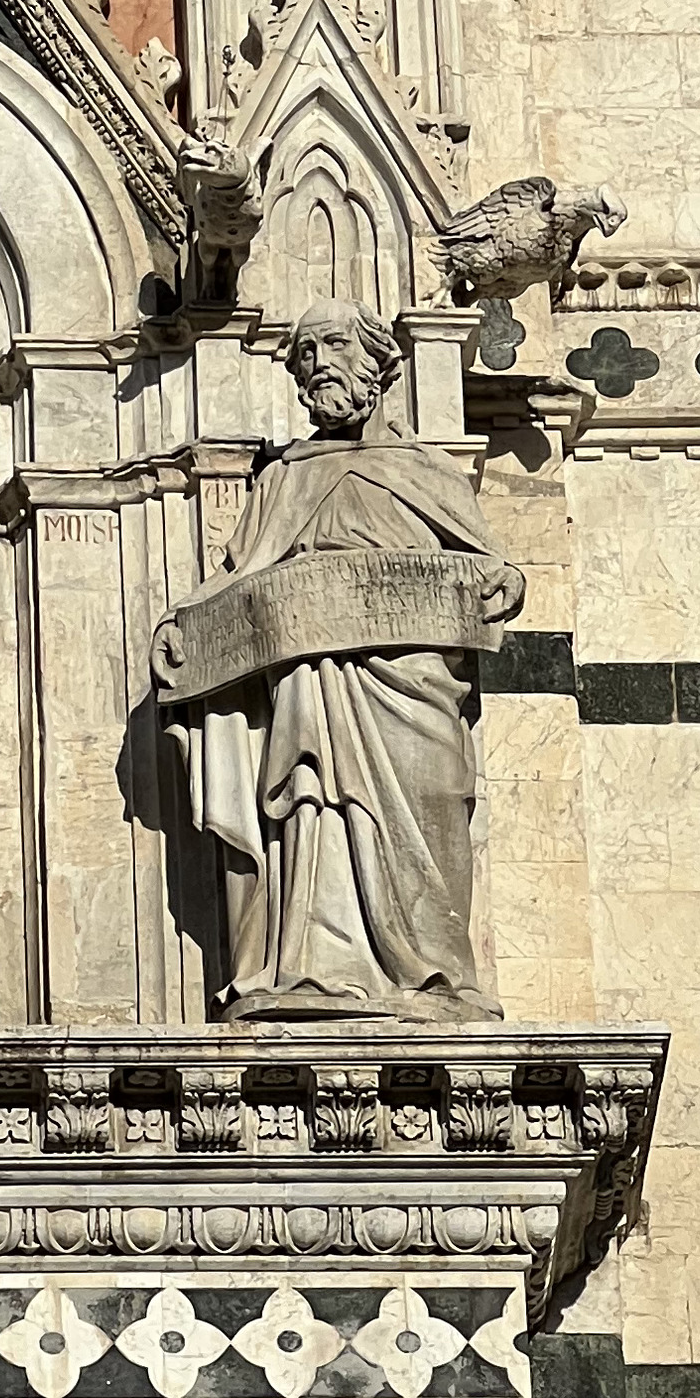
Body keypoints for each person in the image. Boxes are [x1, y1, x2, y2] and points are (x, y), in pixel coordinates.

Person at [163, 299, 520, 1019]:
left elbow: (486, 565)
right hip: (312, 683)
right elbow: (239, 577)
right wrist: (183, 625)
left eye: (329, 348)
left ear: (376, 361)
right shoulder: (284, 478)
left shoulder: (429, 471)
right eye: (303, 357)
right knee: (312, 800)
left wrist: (503, 583)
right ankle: (315, 969)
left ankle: (433, 978)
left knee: (432, 803)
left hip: (411, 688)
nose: (316, 367)